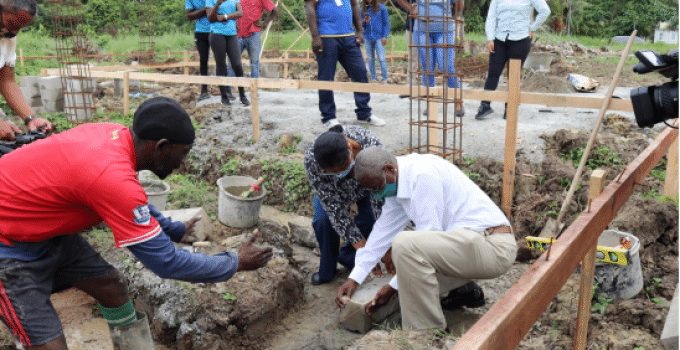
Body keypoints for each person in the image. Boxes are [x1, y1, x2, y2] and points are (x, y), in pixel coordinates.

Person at [0, 97, 273, 349]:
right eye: (183, 153)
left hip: (43, 229)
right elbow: (167, 263)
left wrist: (171, 228)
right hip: (7, 249)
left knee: (111, 287)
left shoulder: (115, 138)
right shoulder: (109, 174)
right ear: (162, 147)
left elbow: (127, 198)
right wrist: (235, 262)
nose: (182, 163)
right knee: (48, 345)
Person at [336, 148, 517, 330]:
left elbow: (428, 236)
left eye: (377, 187)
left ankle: (424, 332)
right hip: (469, 248)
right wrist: (355, 278)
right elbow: (381, 233)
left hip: (492, 248)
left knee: (405, 245)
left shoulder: (422, 176)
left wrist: (392, 287)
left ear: (389, 169)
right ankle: (463, 292)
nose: (375, 194)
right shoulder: (397, 183)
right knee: (410, 268)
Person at [304, 126, 382, 285]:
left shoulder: (371, 146)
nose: (340, 174)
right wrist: (365, 252)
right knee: (322, 221)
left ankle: (348, 256)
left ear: (350, 148)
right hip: (332, 192)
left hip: (365, 188)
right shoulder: (312, 159)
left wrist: (375, 249)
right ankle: (327, 271)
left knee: (370, 220)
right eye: (332, 172)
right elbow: (335, 211)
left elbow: (379, 193)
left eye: (344, 168)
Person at [304, 0, 386, 129]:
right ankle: (329, 117)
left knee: (360, 72)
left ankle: (364, 113)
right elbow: (309, 7)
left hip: (348, 36)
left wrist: (359, 30)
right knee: (326, 78)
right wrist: (315, 37)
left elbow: (354, 4)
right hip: (326, 37)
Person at [475, 0, 550, 120]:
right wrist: (490, 38)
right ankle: (485, 105)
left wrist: (532, 27)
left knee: (513, 75)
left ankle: (510, 107)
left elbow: (545, 11)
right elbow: (491, 17)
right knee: (493, 72)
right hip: (499, 39)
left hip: (520, 39)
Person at [0, 0, 52, 141]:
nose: (14, 32)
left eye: (19, 28)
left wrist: (30, 118)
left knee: (12, 139)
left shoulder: (7, 37)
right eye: (11, 24)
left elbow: (6, 81)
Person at [396, 0, 463, 89]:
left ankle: (456, 92)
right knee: (427, 66)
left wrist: (452, 17)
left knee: (445, 65)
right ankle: (429, 96)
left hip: (444, 30)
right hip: (421, 30)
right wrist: (410, 8)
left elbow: (459, 6)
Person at [207, 0, 249, 106]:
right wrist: (218, 4)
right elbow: (211, 18)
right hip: (216, 34)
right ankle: (224, 96)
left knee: (237, 64)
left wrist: (225, 16)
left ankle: (242, 95)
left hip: (231, 34)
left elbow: (240, 13)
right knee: (221, 65)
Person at [237, 0, 278, 78]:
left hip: (253, 34)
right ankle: (230, 88)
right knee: (233, 63)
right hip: (238, 34)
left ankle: (254, 89)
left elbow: (275, 10)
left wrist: (265, 22)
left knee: (254, 64)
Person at [186, 0, 213, 101]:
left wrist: (199, 12)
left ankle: (226, 90)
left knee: (221, 59)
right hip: (200, 32)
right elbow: (189, 16)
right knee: (203, 59)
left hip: (216, 29)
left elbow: (220, 8)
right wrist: (206, 9)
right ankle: (204, 91)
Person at [361, 0, 390, 83]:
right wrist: (364, 21)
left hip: (379, 37)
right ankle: (373, 78)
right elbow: (360, 25)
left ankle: (385, 78)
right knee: (370, 59)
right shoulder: (363, 10)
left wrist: (384, 36)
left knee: (381, 58)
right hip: (367, 37)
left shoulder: (382, 8)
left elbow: (386, 23)